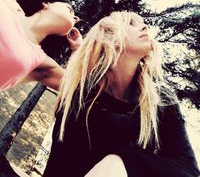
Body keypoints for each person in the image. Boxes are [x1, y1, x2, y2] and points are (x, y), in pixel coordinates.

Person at [43, 11, 200, 177]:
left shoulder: (162, 100)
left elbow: (188, 169)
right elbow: (60, 167)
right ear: (108, 38)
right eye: (131, 23)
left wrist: (123, 160)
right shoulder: (80, 98)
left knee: (114, 163)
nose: (144, 26)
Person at [0, 0, 82, 91]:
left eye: (75, 20)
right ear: (45, 3)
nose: (76, 18)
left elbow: (73, 86)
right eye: (70, 9)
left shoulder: (38, 60)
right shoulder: (10, 5)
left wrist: (77, 49)